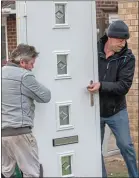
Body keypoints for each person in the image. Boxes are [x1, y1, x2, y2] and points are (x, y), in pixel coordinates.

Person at [87, 20, 138, 178]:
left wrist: (101, 85)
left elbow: (123, 86)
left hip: (117, 110)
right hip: (95, 110)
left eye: (125, 41)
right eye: (120, 40)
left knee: (126, 146)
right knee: (96, 150)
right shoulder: (93, 50)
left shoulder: (127, 58)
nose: (123, 44)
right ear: (109, 37)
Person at [2, 44, 51, 177]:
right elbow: (45, 96)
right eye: (31, 63)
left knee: (6, 173)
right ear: (22, 62)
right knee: (32, 173)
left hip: (3, 135)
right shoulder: (24, 76)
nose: (32, 67)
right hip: (20, 132)